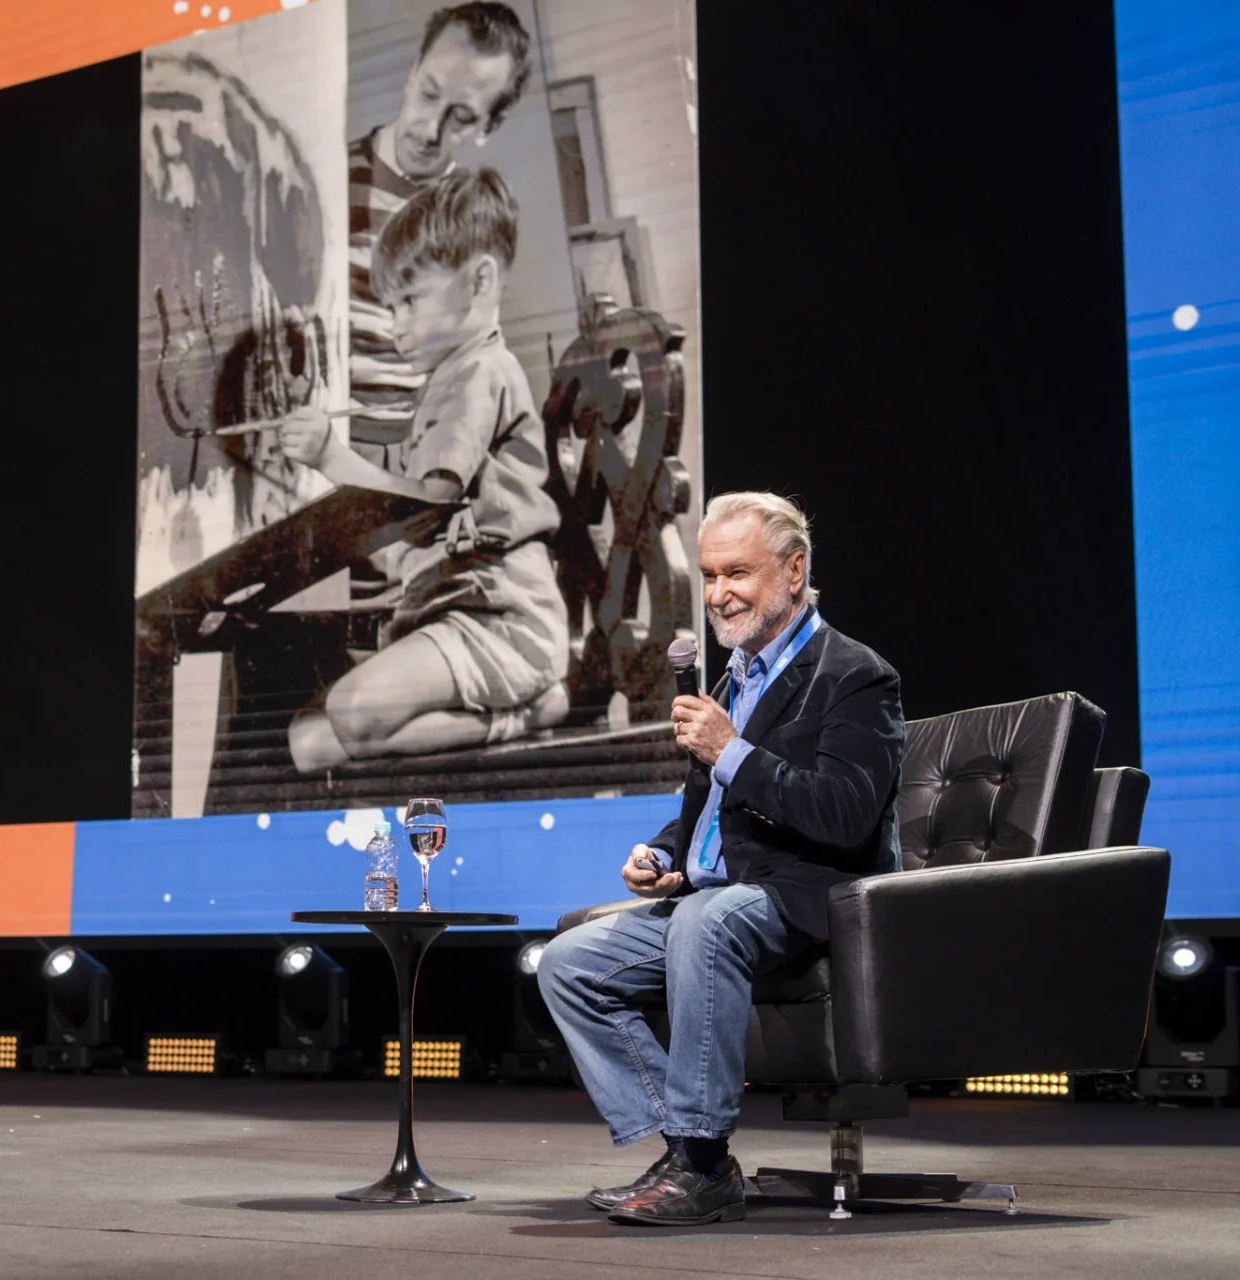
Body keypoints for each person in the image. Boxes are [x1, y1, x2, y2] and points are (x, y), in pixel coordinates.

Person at [535, 491, 904, 1227]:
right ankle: (685, 1151)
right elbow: (713, 808)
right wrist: (664, 851)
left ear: (793, 573)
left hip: (809, 896)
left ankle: (701, 1162)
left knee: (706, 920)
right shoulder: (737, 674)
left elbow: (845, 813)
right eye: (708, 576)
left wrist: (730, 750)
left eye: (737, 573)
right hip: (717, 894)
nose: (717, 594)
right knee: (566, 965)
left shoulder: (854, 676)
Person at [279, 168, 568, 770]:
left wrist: (333, 457)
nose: (396, 323)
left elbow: (425, 504)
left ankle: (527, 713)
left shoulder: (475, 374)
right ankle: (518, 712)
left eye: (410, 300)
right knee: (308, 742)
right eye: (390, 306)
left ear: (480, 281)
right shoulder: (451, 380)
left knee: (352, 714)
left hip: (500, 620)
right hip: (452, 618)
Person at [347, 2, 532, 606]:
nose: (428, 130)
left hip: (421, 474)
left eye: (459, 117)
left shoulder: (472, 229)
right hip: (322, 462)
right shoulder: (322, 178)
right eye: (428, 94)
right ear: (412, 70)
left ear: (487, 128)